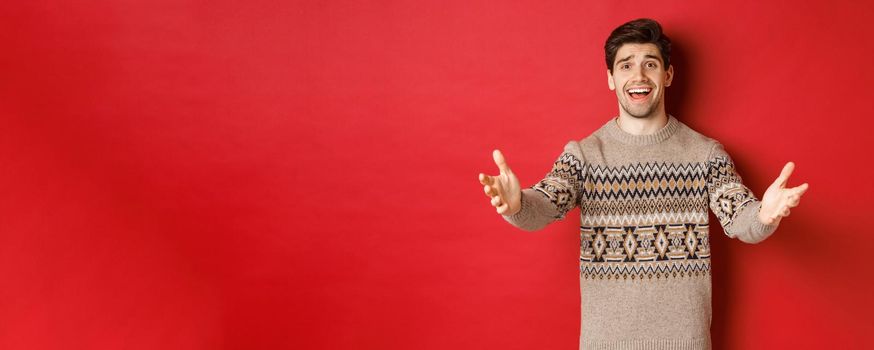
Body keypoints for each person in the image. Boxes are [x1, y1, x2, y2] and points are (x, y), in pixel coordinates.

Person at [476, 18, 809, 350]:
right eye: (626, 66)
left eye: (650, 64)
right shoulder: (585, 155)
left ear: (667, 75)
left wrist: (764, 215)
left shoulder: (704, 154)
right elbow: (544, 206)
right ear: (610, 78)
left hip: (686, 343)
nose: (638, 76)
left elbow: (740, 217)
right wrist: (517, 204)